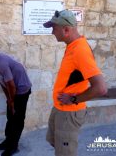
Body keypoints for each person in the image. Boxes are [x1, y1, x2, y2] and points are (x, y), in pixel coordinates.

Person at [43, 10, 107, 156]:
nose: (52, 32)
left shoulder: (80, 50)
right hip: (60, 110)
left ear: (66, 30)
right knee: (56, 144)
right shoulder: (72, 46)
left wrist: (73, 99)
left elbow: (101, 88)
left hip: (69, 113)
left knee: (66, 153)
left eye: (54, 28)